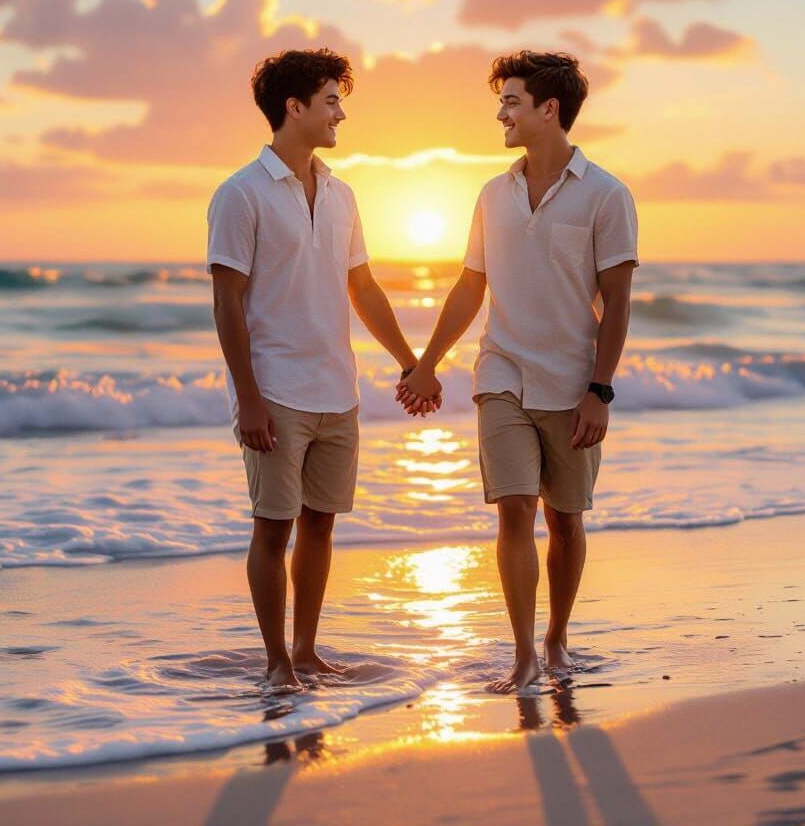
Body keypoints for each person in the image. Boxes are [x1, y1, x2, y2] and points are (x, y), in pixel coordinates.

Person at [398, 51, 638, 692]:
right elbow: (469, 287)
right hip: (500, 373)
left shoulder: (608, 195)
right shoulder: (491, 195)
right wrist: (425, 364)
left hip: (572, 382)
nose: (500, 112)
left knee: (565, 518)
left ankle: (558, 637)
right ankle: (524, 653)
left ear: (548, 109)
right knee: (513, 511)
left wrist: (600, 391)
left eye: (510, 101)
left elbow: (616, 304)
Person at [208, 48, 435, 691]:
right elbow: (227, 300)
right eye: (332, 100)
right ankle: (276, 663)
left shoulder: (340, 195)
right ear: (294, 106)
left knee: (320, 525)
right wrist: (247, 397)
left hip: (338, 388)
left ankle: (307, 652)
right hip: (274, 389)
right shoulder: (240, 193)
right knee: (272, 527)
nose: (341, 113)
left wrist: (411, 362)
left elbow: (362, 288)